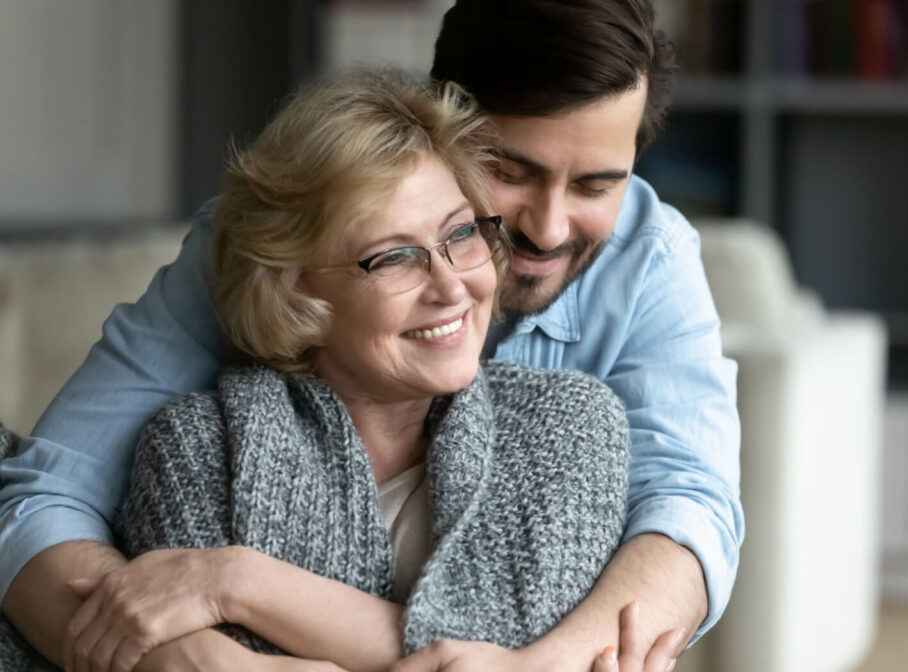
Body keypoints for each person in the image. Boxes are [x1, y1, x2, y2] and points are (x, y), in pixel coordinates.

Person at [0, 1, 742, 670]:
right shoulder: (265, 255)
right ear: (439, 128)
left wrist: (542, 666)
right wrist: (178, 658)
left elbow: (688, 507)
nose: (545, 230)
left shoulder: (645, 273)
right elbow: (45, 496)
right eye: (511, 170)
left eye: (596, 185)